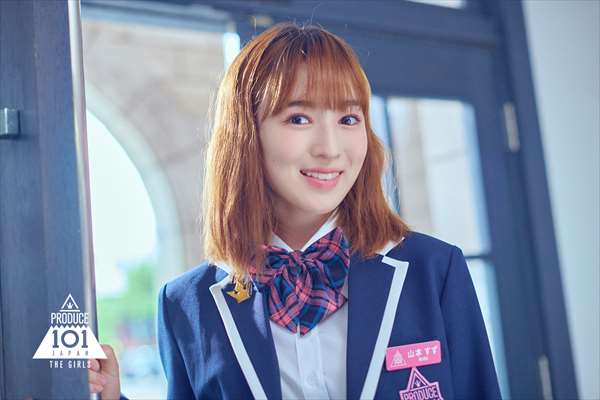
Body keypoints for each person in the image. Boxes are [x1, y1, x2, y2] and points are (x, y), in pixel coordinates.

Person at [88, 21, 502, 400]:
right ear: (247, 135)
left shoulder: (434, 270)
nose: (330, 148)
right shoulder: (187, 304)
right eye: (299, 118)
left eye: (348, 118)